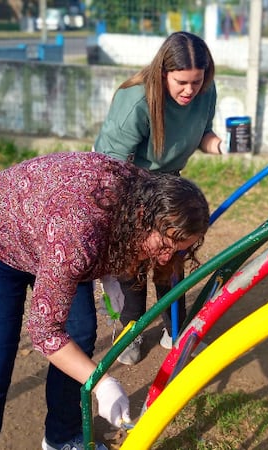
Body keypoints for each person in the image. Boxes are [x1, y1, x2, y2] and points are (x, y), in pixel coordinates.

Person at [0, 151, 210, 450]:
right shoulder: (78, 234)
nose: (165, 258)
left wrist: (111, 272)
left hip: (45, 232)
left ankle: (62, 437)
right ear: (142, 218)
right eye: (164, 245)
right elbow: (45, 332)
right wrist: (101, 383)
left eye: (178, 250)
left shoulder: (147, 196)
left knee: (80, 332)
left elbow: (115, 235)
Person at [93, 30, 224, 365]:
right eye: (181, 82)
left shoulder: (205, 92)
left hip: (167, 184)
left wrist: (222, 145)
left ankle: (176, 331)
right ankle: (129, 332)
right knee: (134, 261)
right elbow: (110, 166)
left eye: (196, 81)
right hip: (126, 183)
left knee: (172, 257)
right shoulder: (136, 100)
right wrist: (128, 217)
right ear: (163, 73)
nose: (189, 90)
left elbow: (201, 134)